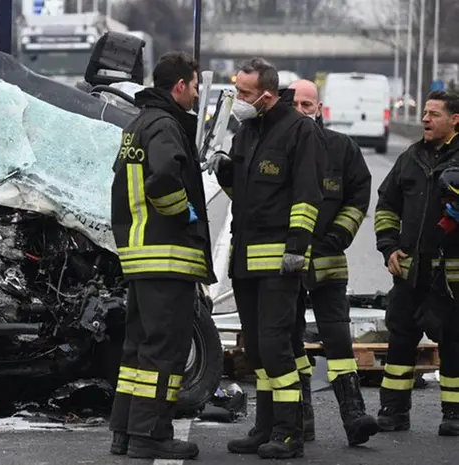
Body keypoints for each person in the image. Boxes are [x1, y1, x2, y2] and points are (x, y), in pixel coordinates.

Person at [205, 58, 325, 459]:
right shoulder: (249, 130)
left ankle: (290, 433)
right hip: (246, 260)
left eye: (244, 93)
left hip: (278, 262)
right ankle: (265, 428)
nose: (238, 99)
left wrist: (297, 248)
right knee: (255, 349)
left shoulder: (299, 131)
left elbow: (308, 195)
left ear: (267, 95)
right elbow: (248, 195)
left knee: (276, 347)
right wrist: (225, 171)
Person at [109, 51, 217, 460]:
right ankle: (152, 435)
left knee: (139, 350)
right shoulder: (166, 126)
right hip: (167, 256)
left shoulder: (138, 123)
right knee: (165, 352)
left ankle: (125, 431)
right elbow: (163, 181)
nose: (195, 93)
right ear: (179, 86)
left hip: (140, 256)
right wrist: (186, 218)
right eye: (194, 86)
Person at [286, 79, 379, 445]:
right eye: (295, 104)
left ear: (319, 108)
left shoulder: (342, 148)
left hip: (328, 262)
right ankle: (301, 418)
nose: (302, 111)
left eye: (308, 105)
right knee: (290, 340)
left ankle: (354, 415)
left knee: (338, 339)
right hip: (286, 264)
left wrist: (339, 235)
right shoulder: (277, 147)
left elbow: (359, 195)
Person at [373, 90, 459, 437]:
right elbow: (386, 204)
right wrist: (389, 247)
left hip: (451, 278)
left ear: (455, 120)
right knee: (401, 338)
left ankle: (454, 414)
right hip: (409, 272)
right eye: (424, 113)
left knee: (454, 342)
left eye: (434, 114)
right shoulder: (411, 157)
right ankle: (394, 411)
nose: (425, 119)